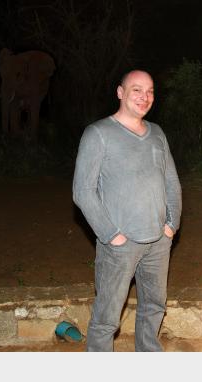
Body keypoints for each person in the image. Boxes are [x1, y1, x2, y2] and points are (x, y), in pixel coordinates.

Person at [72, 70, 182, 352]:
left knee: (155, 306)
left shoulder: (157, 133)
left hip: (158, 241)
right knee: (107, 317)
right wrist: (111, 235)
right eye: (137, 89)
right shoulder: (98, 133)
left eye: (150, 91)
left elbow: (171, 181)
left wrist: (171, 225)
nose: (144, 97)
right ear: (120, 93)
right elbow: (83, 191)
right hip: (120, 245)